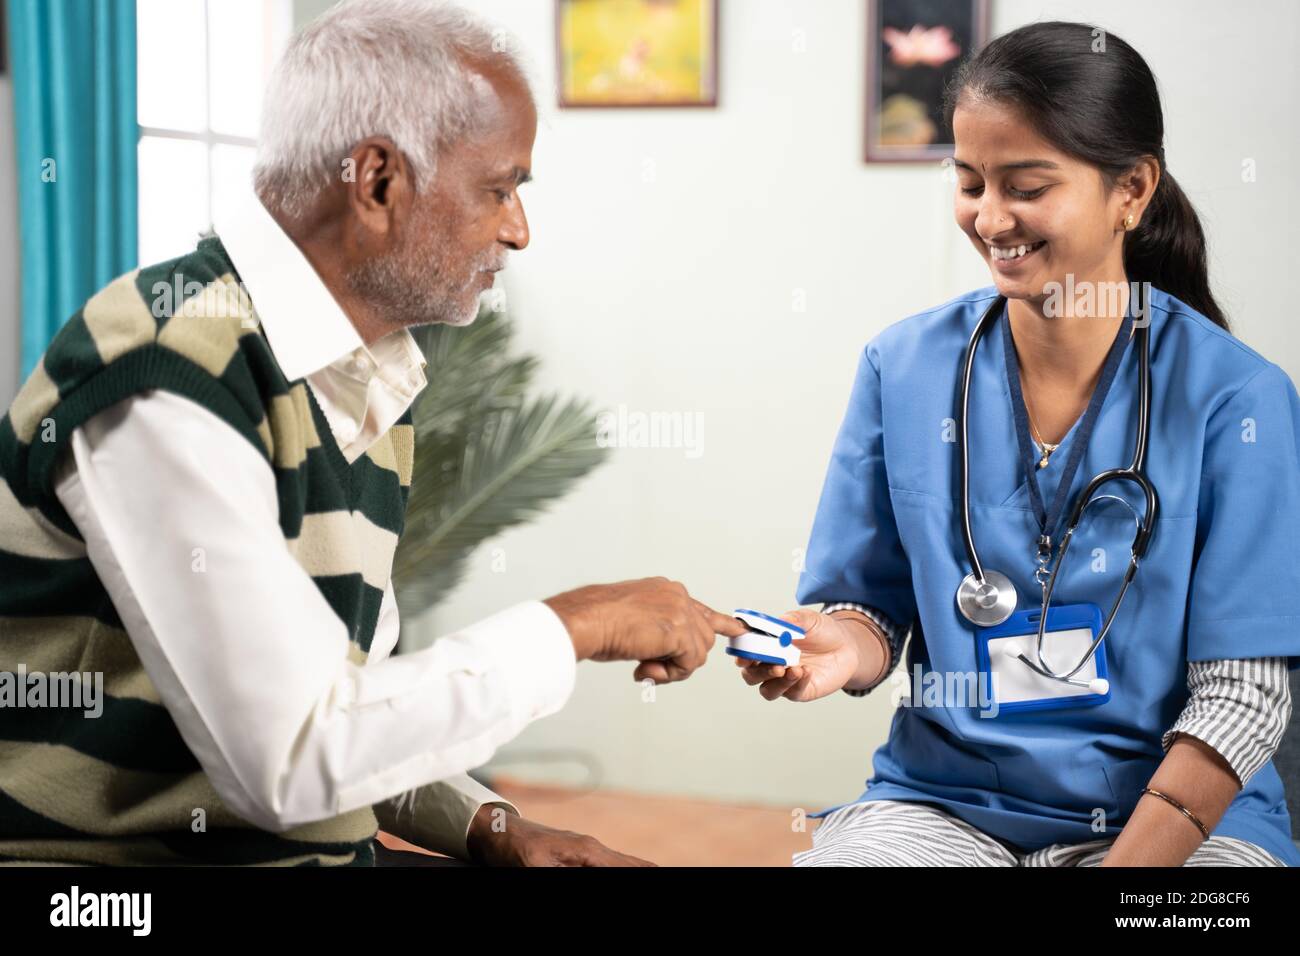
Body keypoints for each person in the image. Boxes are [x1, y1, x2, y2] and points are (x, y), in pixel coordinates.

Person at [0, 0, 743, 867]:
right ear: (380, 181)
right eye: (498, 188)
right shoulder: (170, 370)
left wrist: (492, 827)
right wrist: (576, 624)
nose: (518, 229)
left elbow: (352, 711)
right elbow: (293, 758)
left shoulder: (361, 375)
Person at [737, 21, 1300, 867]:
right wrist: (836, 649)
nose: (991, 218)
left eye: (1027, 186)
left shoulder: (1237, 399)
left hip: (1176, 823)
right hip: (945, 804)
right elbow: (869, 605)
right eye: (969, 182)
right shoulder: (905, 366)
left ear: (1132, 190)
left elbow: (1245, 698)